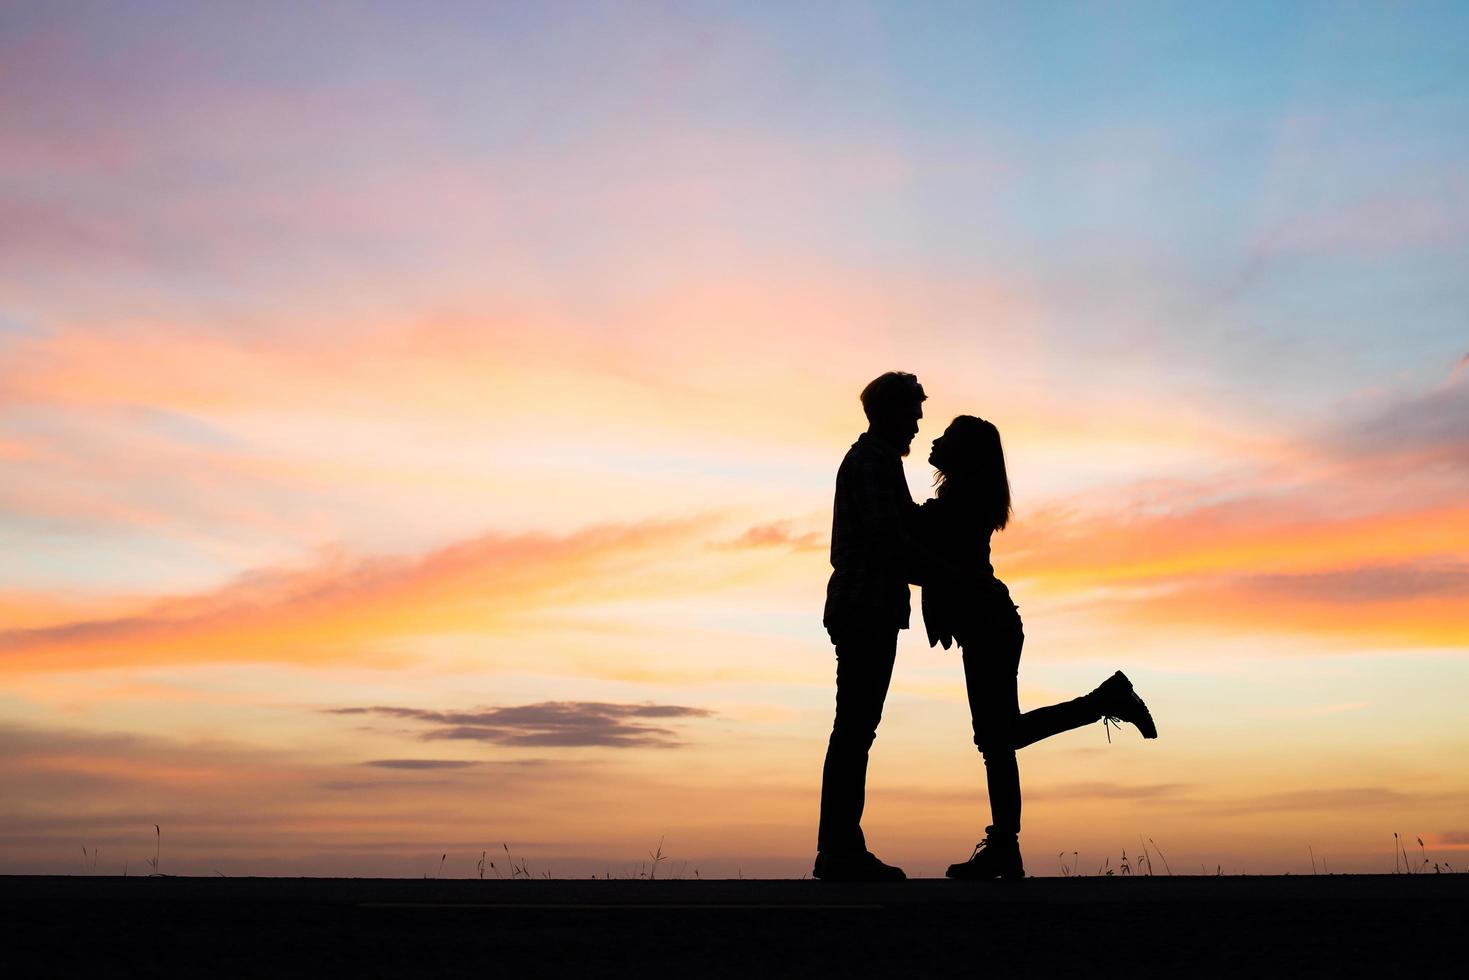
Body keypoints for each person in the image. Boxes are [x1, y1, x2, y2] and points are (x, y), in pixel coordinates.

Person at [918, 415, 1158, 880]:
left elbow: (918, 538)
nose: (935, 440)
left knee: (997, 738)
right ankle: (1005, 846)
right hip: (988, 624)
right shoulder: (961, 498)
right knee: (997, 738)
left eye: (946, 437)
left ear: (965, 453)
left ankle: (1104, 701)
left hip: (990, 624)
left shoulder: (962, 502)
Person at [815, 371, 971, 882]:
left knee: (857, 728)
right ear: (887, 413)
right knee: (855, 728)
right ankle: (839, 851)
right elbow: (891, 542)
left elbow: (906, 527)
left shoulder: (878, 463)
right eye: (911, 412)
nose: (918, 423)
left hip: (870, 605)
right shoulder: (872, 464)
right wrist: (954, 578)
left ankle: (842, 846)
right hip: (865, 605)